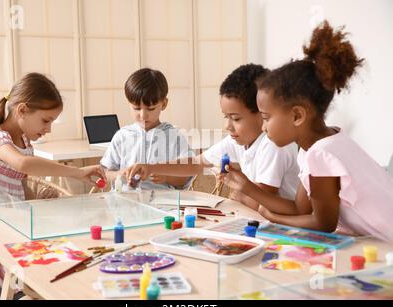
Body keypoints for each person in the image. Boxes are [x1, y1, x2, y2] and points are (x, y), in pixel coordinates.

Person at [223, 21, 393, 242]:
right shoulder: (322, 143)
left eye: (266, 118)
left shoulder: (320, 154)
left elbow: (323, 224)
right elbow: (299, 208)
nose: (263, 127)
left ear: (297, 116)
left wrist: (273, 217)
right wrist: (247, 186)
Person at [0, 72, 106, 298]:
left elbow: (21, 186)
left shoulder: (24, 142)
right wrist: (76, 172)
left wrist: (37, 198)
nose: (48, 129)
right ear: (22, 110)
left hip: (5, 228)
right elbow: (23, 164)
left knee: (66, 263)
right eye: (46, 120)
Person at [124, 64, 299, 210]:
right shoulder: (238, 140)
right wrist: (150, 167)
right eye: (226, 117)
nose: (227, 126)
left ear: (262, 112)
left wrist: (240, 192)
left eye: (236, 118)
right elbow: (196, 163)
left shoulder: (274, 144)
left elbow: (261, 203)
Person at [100, 68, 194, 190]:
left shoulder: (173, 137)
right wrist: (120, 174)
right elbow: (105, 173)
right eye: (136, 108)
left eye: (150, 109)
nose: (143, 115)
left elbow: (185, 177)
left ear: (164, 104)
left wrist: (166, 177)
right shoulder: (122, 136)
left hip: (163, 204)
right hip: (127, 203)